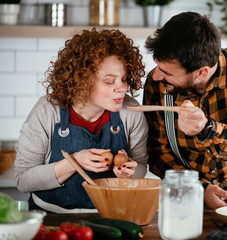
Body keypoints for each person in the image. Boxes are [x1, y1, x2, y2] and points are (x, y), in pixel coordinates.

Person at [142, 12, 227, 210]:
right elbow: (157, 153)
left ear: (202, 72)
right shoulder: (156, 83)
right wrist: (200, 189)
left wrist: (206, 129)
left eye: (167, 72)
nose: (157, 75)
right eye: (157, 65)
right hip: (187, 196)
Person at [14, 28, 149, 213]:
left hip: (111, 214)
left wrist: (129, 174)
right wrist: (74, 162)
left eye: (124, 79)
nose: (123, 88)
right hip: (50, 217)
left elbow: (141, 168)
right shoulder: (47, 111)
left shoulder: (131, 112)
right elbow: (23, 180)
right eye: (110, 81)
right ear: (82, 81)